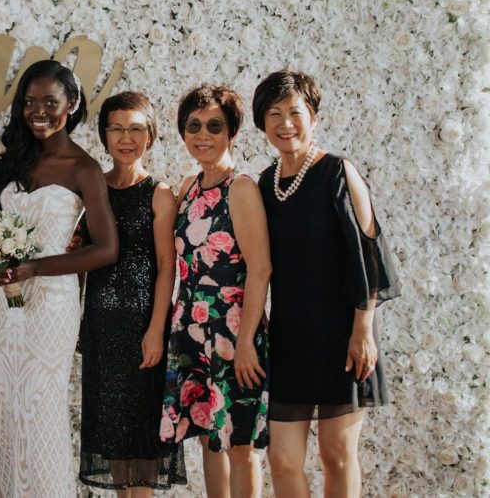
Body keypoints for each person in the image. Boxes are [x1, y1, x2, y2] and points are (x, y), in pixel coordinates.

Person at [251, 70, 399, 498]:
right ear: (263, 123)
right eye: (274, 114)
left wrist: (363, 330)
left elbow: (371, 254)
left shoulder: (339, 171)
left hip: (343, 336)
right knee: (282, 460)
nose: (285, 123)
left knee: (336, 455)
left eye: (295, 112)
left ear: (313, 117)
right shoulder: (264, 183)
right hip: (289, 338)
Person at [0, 59, 119, 498]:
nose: (38, 111)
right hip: (3, 302)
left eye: (50, 102)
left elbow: (106, 248)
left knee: (42, 409)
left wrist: (37, 268)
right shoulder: (11, 159)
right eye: (29, 102)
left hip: (52, 305)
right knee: (5, 405)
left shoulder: (84, 169)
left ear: (73, 104)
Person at [160, 84, 270, 498]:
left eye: (213, 125)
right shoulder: (188, 187)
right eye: (193, 125)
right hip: (192, 328)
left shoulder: (240, 188)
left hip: (232, 331)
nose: (202, 134)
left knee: (239, 444)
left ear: (232, 132)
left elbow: (260, 269)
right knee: (209, 436)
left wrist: (245, 344)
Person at [79, 91, 186, 495]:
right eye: (117, 128)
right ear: (105, 135)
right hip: (101, 331)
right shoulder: (91, 189)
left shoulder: (158, 193)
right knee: (114, 440)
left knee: (141, 445)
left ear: (151, 135)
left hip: (142, 331)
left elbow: (166, 267)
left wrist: (156, 329)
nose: (126, 138)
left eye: (136, 129)